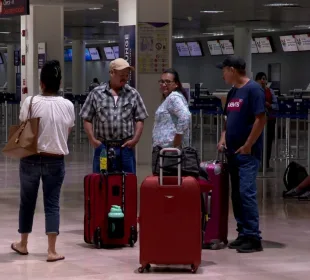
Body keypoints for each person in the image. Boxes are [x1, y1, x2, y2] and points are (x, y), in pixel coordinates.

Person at [11, 60, 75, 262]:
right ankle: (51, 250)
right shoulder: (68, 105)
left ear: (42, 83)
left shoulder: (30, 102)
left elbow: (24, 124)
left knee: (27, 202)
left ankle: (23, 243)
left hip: (30, 158)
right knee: (52, 204)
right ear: (60, 82)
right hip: (55, 160)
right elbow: (68, 130)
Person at [217, 56, 266, 253]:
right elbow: (228, 119)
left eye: (224, 70)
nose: (223, 74)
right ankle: (243, 233)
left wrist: (248, 145)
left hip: (247, 154)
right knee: (236, 195)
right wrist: (223, 137)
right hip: (232, 152)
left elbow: (261, 120)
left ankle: (254, 237)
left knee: (246, 193)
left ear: (232, 69)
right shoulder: (233, 92)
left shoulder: (254, 90)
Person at [80, 58, 148, 174]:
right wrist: (93, 140)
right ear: (111, 73)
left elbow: (140, 118)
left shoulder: (133, 94)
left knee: (127, 182)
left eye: (127, 75)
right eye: (122, 75)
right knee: (101, 180)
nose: (125, 78)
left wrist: (135, 139)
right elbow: (87, 118)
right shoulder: (96, 93)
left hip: (126, 148)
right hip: (103, 148)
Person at [152, 69, 191, 149]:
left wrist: (178, 137)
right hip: (164, 148)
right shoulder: (169, 98)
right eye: (162, 81)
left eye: (168, 82)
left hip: (170, 150)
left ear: (176, 84)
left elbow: (185, 116)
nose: (164, 84)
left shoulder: (174, 97)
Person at [255, 72, 279, 170]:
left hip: (270, 120)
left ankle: (266, 164)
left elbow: (276, 105)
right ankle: (258, 163)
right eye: (260, 79)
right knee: (257, 142)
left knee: (268, 142)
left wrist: (269, 105)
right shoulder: (254, 92)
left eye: (264, 79)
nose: (262, 81)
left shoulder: (270, 91)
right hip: (257, 121)